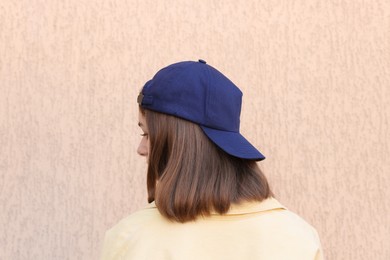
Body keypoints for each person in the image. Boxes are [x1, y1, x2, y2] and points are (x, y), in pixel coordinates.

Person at [100, 59, 324, 260]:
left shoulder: (131, 238)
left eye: (147, 134)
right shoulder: (298, 238)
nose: (141, 149)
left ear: (179, 145)